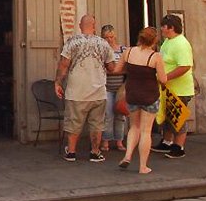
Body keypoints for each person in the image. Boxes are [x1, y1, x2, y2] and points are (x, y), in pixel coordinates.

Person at [55, 14, 116, 163]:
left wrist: (57, 82)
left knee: (74, 123)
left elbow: (64, 64)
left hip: (76, 91)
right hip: (98, 91)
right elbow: (111, 67)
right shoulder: (103, 43)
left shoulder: (72, 42)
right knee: (97, 124)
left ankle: (71, 152)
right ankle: (95, 152)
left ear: (80, 26)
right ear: (94, 26)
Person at [115, 27, 168, 174]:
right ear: (154, 41)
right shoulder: (155, 57)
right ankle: (143, 166)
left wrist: (133, 71)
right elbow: (163, 79)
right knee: (146, 131)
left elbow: (117, 69)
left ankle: (127, 156)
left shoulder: (129, 52)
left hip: (132, 94)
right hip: (149, 96)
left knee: (134, 127)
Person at [151, 14, 195, 159]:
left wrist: (166, 77)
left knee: (178, 117)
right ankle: (167, 141)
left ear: (171, 28)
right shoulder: (168, 42)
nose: (162, 29)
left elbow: (185, 66)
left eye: (164, 26)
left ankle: (179, 147)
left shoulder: (181, 44)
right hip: (167, 88)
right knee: (168, 116)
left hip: (180, 89)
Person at [99, 24, 127, 153]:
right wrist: (117, 69)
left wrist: (113, 70)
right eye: (106, 37)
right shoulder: (100, 51)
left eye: (111, 36)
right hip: (106, 87)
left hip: (120, 87)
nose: (109, 39)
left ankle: (119, 140)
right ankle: (106, 140)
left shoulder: (122, 50)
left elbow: (127, 69)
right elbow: (101, 70)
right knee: (108, 114)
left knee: (120, 114)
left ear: (114, 36)